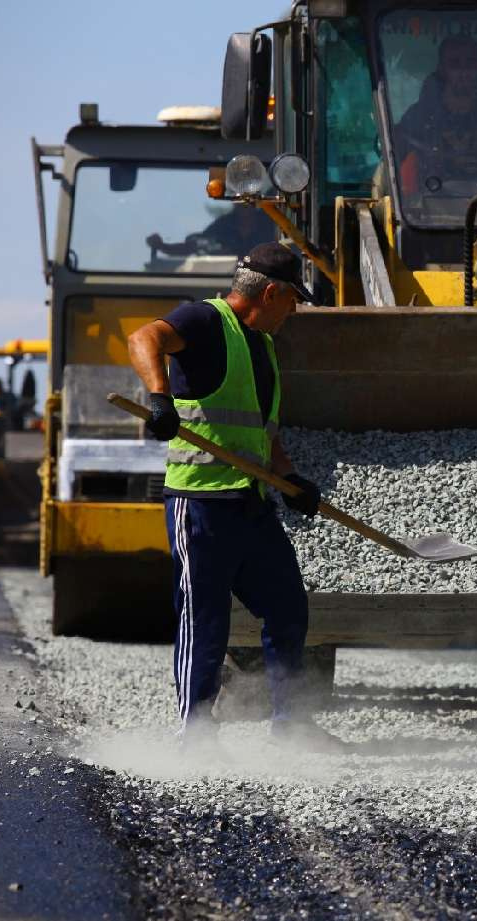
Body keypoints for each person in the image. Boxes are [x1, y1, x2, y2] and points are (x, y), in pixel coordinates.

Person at [127, 242, 339, 753]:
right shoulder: (205, 321)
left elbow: (263, 433)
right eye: (292, 301)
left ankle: (291, 727)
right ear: (271, 292)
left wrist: (291, 481)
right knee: (206, 620)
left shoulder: (262, 346)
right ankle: (195, 734)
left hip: (250, 504)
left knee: (287, 606)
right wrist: (159, 397)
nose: (294, 311)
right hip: (200, 506)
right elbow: (143, 337)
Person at [394, 34, 477, 192]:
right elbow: (391, 160)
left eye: (470, 63)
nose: (464, 71)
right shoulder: (419, 116)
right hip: (429, 209)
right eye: (455, 64)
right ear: (442, 69)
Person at [146, 205, 272, 259]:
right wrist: (162, 246)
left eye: (248, 199)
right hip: (225, 281)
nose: (244, 205)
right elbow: (193, 247)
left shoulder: (271, 223)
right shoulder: (223, 225)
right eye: (239, 200)